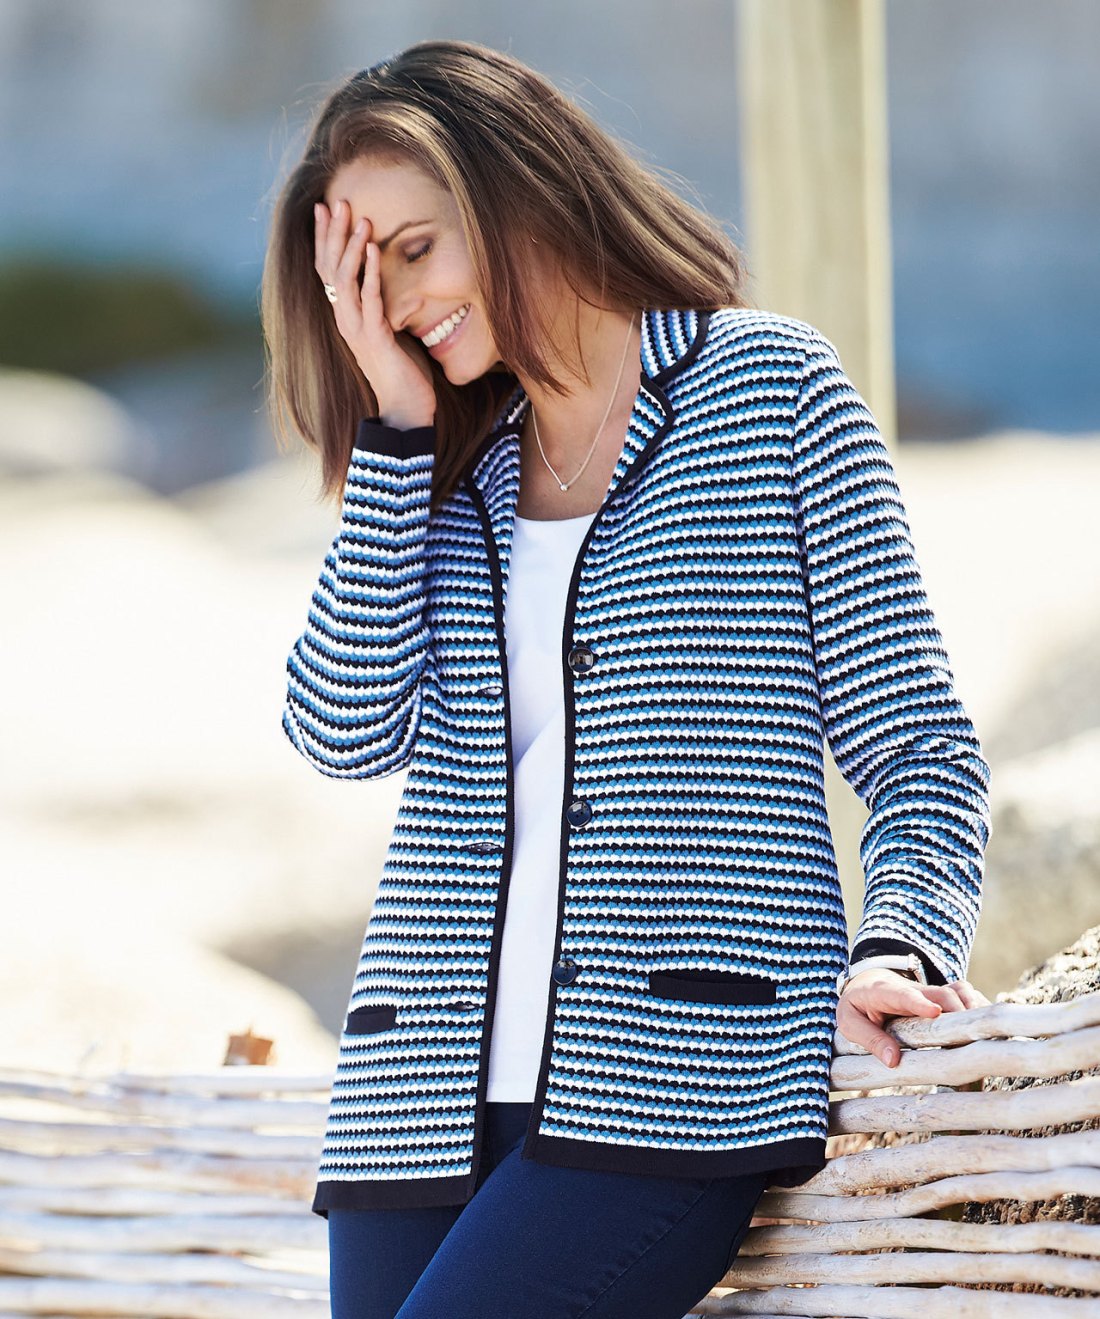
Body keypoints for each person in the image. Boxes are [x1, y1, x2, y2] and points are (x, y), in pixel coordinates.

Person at [262, 38, 992, 1319]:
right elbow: (341, 728)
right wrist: (393, 429)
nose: (401, 303)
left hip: (671, 1075)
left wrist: (897, 937)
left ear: (519, 187)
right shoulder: (452, 470)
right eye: (367, 280)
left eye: (417, 249)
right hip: (416, 1094)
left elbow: (918, 742)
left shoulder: (768, 388)